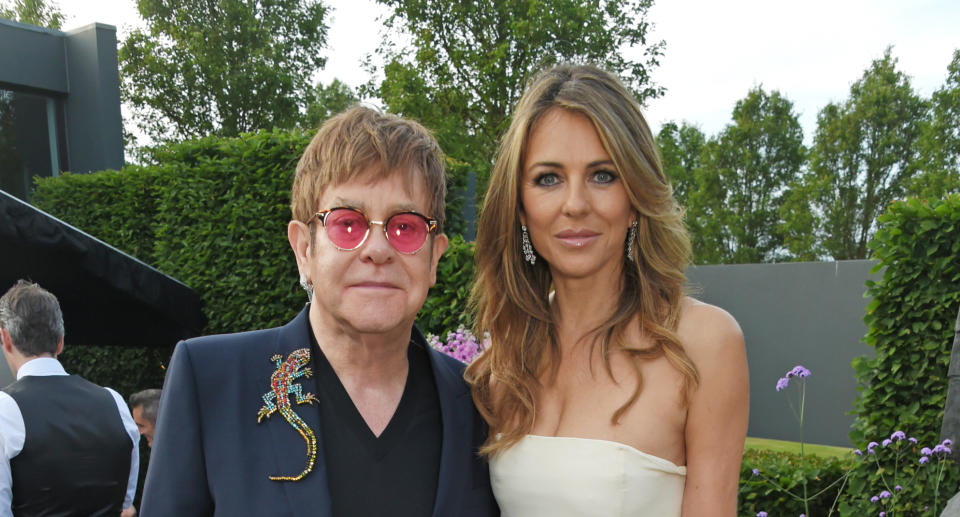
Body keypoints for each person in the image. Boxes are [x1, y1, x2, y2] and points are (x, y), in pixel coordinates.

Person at [140, 106, 499, 517]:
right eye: (348, 224)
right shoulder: (212, 382)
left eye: (405, 227)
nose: (378, 250)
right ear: (304, 248)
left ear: (434, 258)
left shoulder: (477, 403)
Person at [465, 64, 749, 516]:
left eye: (602, 175)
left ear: (635, 198)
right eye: (548, 178)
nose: (575, 204)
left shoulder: (704, 344)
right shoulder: (505, 361)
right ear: (520, 209)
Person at [0, 280, 139, 517]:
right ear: (61, 341)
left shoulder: (4, 409)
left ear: (6, 339)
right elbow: (125, 501)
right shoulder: (114, 402)